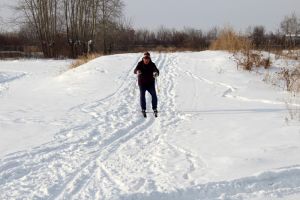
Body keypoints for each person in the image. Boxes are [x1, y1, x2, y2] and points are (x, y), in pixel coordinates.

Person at [134, 52, 159, 118]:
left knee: (154, 95)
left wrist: (156, 73)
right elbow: (135, 70)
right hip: (142, 83)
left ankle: (154, 108)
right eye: (145, 58)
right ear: (143, 58)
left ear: (149, 58)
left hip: (150, 83)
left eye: (147, 58)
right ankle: (143, 109)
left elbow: (156, 70)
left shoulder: (152, 64)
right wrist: (137, 71)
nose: (146, 59)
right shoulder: (140, 64)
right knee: (142, 95)